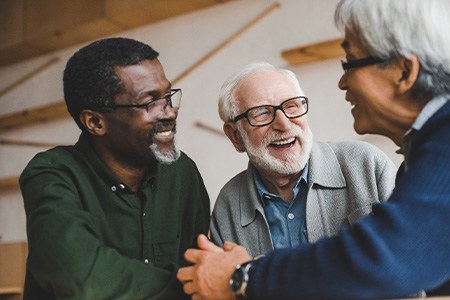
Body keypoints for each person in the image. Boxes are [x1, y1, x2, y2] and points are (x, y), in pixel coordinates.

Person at [177, 0, 450, 298]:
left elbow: (391, 259)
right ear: (235, 136)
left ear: (404, 72)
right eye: (261, 113)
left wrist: (243, 276)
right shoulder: (425, 148)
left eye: (350, 62)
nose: (342, 82)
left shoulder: (439, 145)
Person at [19, 37, 210, 299]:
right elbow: (83, 278)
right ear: (95, 122)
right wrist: (192, 286)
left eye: (167, 96)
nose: (169, 112)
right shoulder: (52, 173)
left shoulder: (182, 171)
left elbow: (199, 266)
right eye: (149, 102)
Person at [210, 62, 397, 257]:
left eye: (291, 106)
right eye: (262, 113)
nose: (283, 124)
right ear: (236, 136)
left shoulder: (367, 164)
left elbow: (412, 261)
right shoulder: (228, 204)